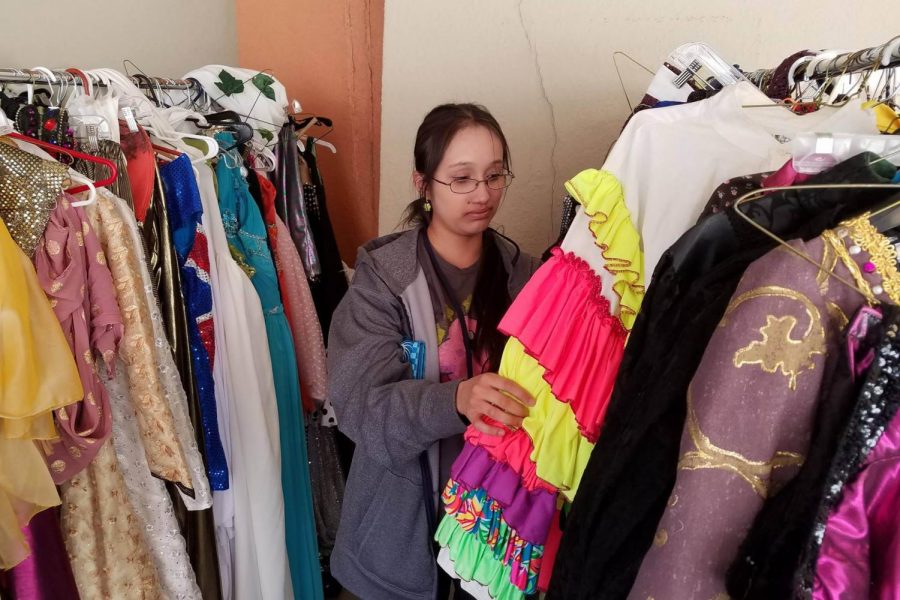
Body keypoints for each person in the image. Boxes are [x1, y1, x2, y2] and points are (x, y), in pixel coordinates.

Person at [327, 103, 540, 600]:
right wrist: (456, 401)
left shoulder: (526, 278)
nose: (483, 194)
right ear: (423, 184)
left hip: (493, 535)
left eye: (494, 175)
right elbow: (361, 408)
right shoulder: (384, 283)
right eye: (461, 179)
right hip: (395, 545)